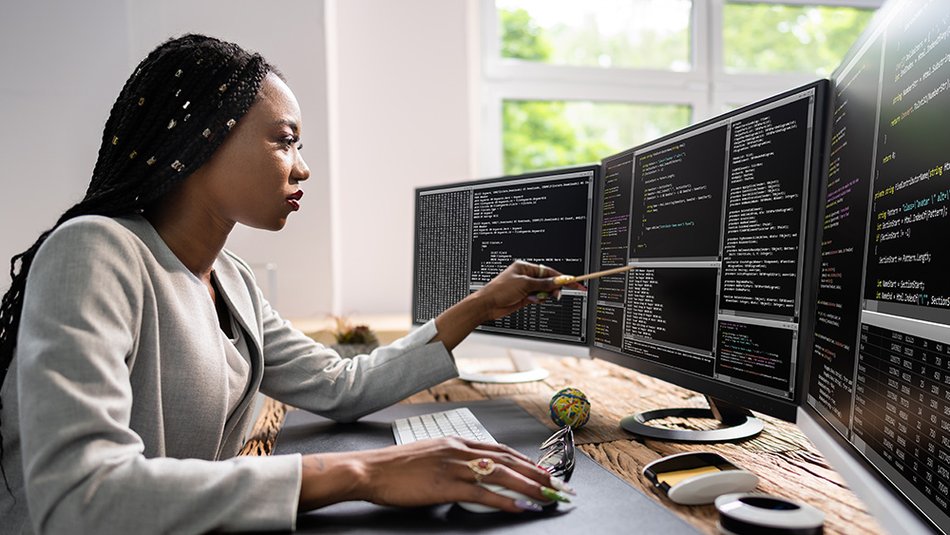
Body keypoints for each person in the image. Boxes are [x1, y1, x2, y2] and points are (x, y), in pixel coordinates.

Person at [0, 34, 579, 534]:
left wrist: (478, 307)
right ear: (202, 140)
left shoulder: (232, 279)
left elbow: (341, 385)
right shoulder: (97, 250)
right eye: (285, 140)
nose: (301, 167)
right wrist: (363, 473)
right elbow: (78, 498)